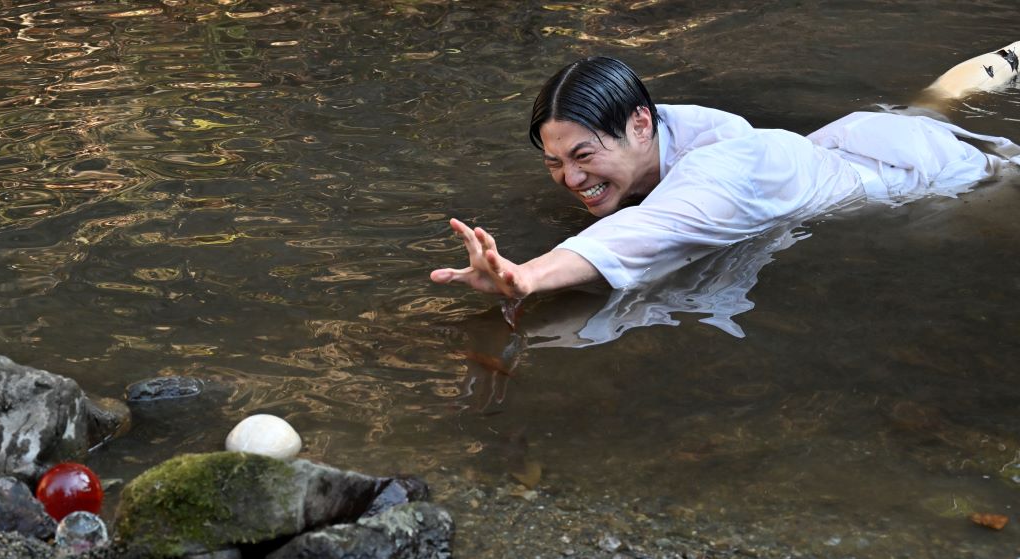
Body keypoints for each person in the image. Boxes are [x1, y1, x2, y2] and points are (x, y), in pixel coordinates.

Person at [430, 44, 1020, 300]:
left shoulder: (721, 167)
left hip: (940, 177)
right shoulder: (678, 127)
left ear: (640, 124)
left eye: (584, 157)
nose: (570, 179)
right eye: (553, 163)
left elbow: (646, 232)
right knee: (935, 103)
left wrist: (528, 275)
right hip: (861, 137)